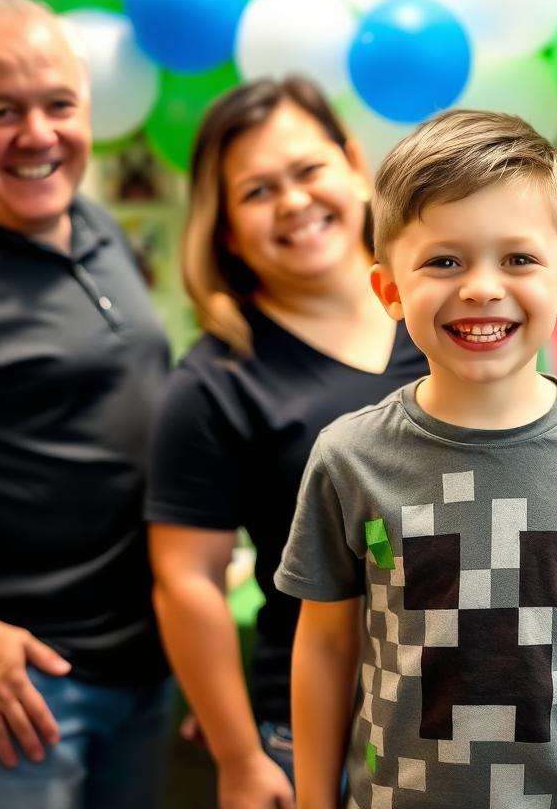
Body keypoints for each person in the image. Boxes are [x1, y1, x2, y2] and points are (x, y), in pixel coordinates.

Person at [277, 110, 557, 809]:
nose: (481, 286)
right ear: (389, 290)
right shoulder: (348, 459)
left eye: (517, 258)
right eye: (444, 260)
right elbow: (325, 646)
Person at [146, 77, 427, 809]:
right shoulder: (212, 383)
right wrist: (240, 757)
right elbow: (187, 584)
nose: (295, 202)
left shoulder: (446, 314)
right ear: (226, 228)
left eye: (308, 171)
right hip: (318, 733)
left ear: (355, 165)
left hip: (478, 711)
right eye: (258, 191)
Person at [0, 0, 172, 809]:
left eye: (58, 105)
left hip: (139, 666)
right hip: (18, 691)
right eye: (0, 111)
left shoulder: (91, 221)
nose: (38, 134)